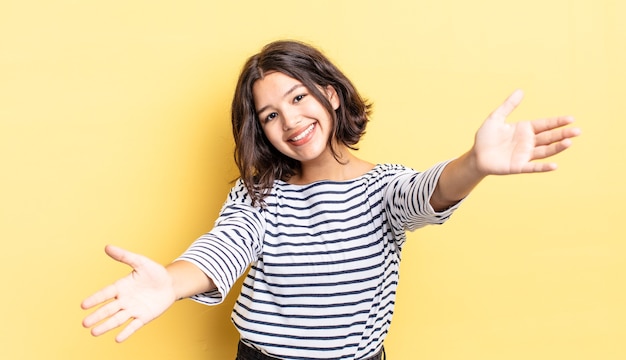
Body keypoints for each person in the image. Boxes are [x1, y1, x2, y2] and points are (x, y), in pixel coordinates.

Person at [81, 40, 580, 360]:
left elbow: (426, 192)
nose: (290, 121)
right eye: (270, 115)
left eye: (298, 98)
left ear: (331, 94)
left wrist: (474, 163)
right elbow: (225, 247)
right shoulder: (259, 194)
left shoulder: (379, 187)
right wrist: (170, 281)